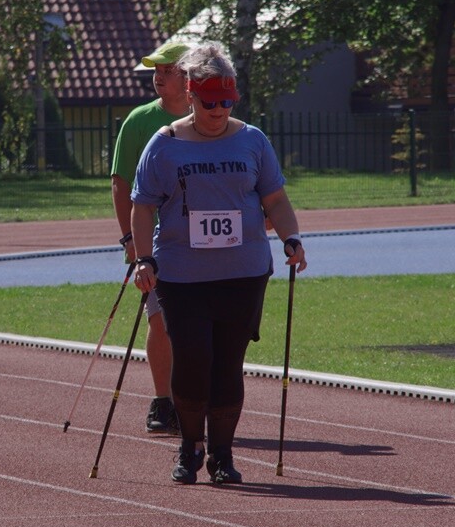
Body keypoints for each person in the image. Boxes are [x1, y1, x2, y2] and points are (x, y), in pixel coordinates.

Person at [130, 42, 307, 484]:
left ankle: (222, 457)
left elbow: (276, 198)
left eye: (227, 101)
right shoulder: (164, 144)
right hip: (182, 275)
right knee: (192, 359)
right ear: (191, 94)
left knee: (228, 363)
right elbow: (141, 206)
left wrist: (292, 237)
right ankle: (190, 447)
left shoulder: (252, 139)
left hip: (243, 273)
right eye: (210, 102)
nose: (218, 110)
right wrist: (142, 259)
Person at [110, 42, 190, 434]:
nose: (157, 75)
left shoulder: (210, 116)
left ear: (188, 74)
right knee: (160, 321)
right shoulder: (140, 121)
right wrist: (129, 237)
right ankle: (163, 402)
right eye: (155, 69)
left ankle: (195, 398)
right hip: (155, 243)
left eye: (167, 69)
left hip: (200, 242)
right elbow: (120, 182)